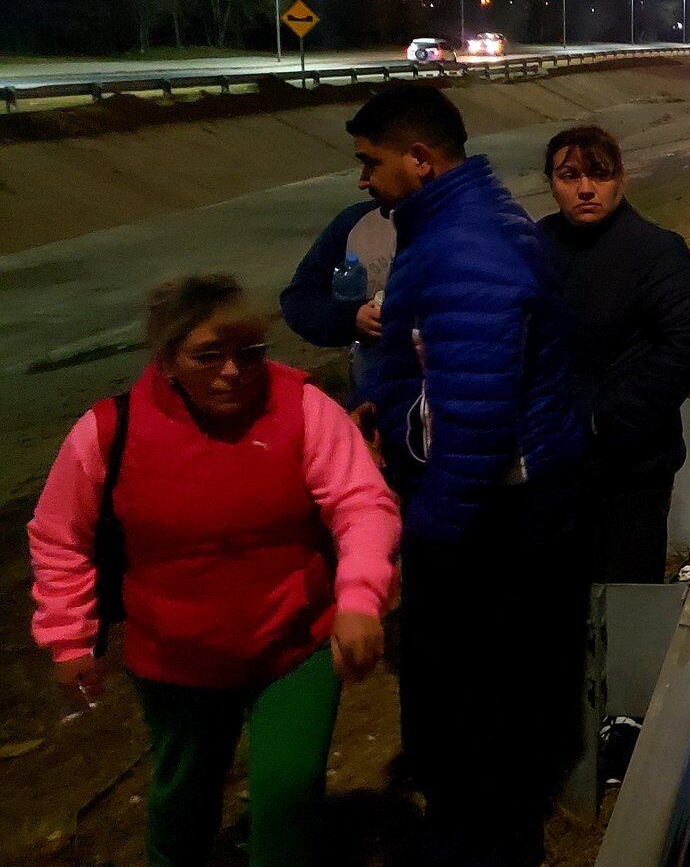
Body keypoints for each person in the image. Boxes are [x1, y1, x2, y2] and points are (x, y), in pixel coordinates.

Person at [28, 273, 399, 867]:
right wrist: (68, 636)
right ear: (169, 361)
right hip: (176, 660)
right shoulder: (109, 430)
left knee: (289, 792)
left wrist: (358, 597)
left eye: (249, 352)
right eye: (209, 356)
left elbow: (361, 502)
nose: (234, 371)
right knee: (183, 798)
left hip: (293, 645)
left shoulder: (301, 406)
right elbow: (59, 537)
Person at [347, 83, 585, 867]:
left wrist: (428, 536)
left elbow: (477, 424)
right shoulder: (464, 225)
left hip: (487, 521)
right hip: (507, 510)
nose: (363, 180)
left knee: (471, 715)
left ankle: (479, 845)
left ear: (419, 159)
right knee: (499, 708)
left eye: (370, 162)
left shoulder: (465, 248)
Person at [538, 124, 690, 583]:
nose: (586, 188)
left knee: (622, 600)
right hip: (552, 467)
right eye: (569, 176)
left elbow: (687, 345)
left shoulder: (656, 251)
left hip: (629, 472)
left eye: (599, 174)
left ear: (621, 179)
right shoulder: (539, 245)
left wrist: (604, 419)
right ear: (552, 184)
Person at [279, 198, 395, 403]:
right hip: (376, 393)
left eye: (374, 165)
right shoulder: (358, 222)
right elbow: (299, 300)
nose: (363, 181)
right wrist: (351, 317)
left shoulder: (459, 222)